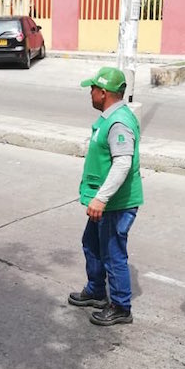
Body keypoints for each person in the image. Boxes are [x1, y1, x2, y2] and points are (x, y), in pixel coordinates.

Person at [67, 67, 143, 326]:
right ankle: (97, 290)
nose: (90, 93)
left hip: (116, 204)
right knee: (91, 242)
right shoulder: (109, 118)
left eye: (92, 89)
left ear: (103, 92)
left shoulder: (119, 121)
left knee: (112, 253)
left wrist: (101, 198)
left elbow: (122, 163)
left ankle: (121, 306)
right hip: (106, 202)